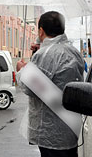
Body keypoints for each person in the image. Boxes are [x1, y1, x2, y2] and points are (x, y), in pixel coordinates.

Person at [17, 11, 85, 157]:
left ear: (41, 31)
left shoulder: (45, 54)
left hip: (51, 133)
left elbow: (29, 87)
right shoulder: (74, 52)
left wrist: (22, 70)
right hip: (71, 128)